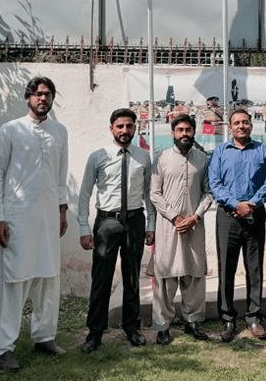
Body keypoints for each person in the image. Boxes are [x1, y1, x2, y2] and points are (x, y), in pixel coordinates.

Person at [0, 76, 69, 372]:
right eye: (38, 94)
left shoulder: (59, 131)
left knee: (48, 278)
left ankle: (44, 336)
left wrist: (62, 211)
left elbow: (61, 174)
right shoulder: (11, 130)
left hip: (48, 217)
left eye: (48, 94)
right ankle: (2, 347)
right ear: (28, 97)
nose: (43, 99)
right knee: (15, 281)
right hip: (17, 218)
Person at [77, 108, 156, 353]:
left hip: (134, 221)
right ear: (111, 128)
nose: (124, 130)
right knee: (101, 279)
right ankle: (95, 333)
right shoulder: (97, 157)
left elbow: (148, 195)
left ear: (135, 128)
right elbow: (84, 195)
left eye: (129, 126)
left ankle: (132, 328)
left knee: (132, 277)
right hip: (106, 223)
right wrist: (83, 228)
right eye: (120, 126)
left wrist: (151, 225)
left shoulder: (144, 157)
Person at [208, 108, 266, 342]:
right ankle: (227, 319)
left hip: (255, 216)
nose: (241, 126)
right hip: (228, 217)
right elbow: (214, 183)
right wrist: (236, 204)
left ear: (251, 125)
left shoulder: (263, 151)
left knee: (254, 269)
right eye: (236, 123)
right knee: (226, 269)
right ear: (230, 127)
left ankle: (253, 317)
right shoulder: (219, 152)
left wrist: (252, 204)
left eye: (245, 122)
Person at [151, 114, 213, 345]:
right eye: (180, 130)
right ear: (173, 133)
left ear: (194, 132)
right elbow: (154, 193)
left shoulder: (202, 159)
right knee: (166, 275)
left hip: (195, 226)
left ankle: (193, 321)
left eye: (188, 130)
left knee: (195, 274)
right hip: (169, 226)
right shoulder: (161, 159)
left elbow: (209, 191)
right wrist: (175, 217)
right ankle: (162, 326)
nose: (185, 134)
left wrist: (195, 216)